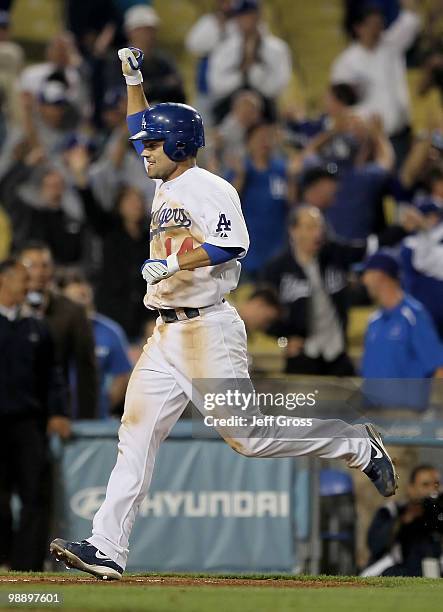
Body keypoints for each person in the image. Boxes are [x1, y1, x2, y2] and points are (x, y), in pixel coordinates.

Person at [49, 46, 397, 581]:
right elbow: (139, 120)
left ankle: (353, 442)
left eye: (154, 144)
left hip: (207, 326)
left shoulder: (209, 187)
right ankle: (107, 548)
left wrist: (173, 261)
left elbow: (234, 243)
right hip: (166, 333)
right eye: (144, 143)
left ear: (181, 144)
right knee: (135, 437)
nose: (143, 149)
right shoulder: (169, 182)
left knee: (248, 437)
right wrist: (132, 77)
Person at [0, 258, 68, 570]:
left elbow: (52, 376)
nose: (28, 285)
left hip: (28, 422)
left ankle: (26, 567)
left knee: (34, 496)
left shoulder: (36, 327)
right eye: (20, 279)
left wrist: (57, 412)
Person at [261, 206, 364, 375]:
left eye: (320, 227)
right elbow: (262, 310)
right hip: (303, 356)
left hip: (336, 352)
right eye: (310, 227)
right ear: (293, 231)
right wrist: (283, 339)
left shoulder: (334, 257)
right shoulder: (276, 269)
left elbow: (368, 249)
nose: (317, 234)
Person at [331, 1, 421, 164]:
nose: (377, 28)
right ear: (358, 28)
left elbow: (411, 20)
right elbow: (340, 103)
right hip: (368, 139)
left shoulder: (392, 45)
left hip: (400, 134)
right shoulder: (346, 62)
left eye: (379, 23)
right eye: (371, 24)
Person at [17, 241, 98, 419]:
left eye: (45, 265)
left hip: (56, 411)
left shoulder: (72, 312)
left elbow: (86, 371)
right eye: (32, 266)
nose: (39, 272)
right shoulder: (8, 308)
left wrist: (86, 420)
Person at [361, 250, 443, 410]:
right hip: (374, 416)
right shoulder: (374, 321)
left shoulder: (413, 316)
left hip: (407, 419)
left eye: (367, 274)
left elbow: (438, 368)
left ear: (380, 276)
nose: (363, 280)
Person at [225, 122, 293, 279]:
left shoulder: (281, 169)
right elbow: (227, 204)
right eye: (260, 138)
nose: (265, 142)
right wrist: (241, 176)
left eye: (269, 137)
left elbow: (292, 202)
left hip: (277, 250)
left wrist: (292, 178)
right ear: (248, 143)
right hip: (247, 254)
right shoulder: (240, 170)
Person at [61, 270, 132, 420]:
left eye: (84, 295)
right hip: (57, 416)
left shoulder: (110, 331)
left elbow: (122, 375)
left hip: (95, 418)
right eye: (75, 300)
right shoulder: (51, 329)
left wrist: (102, 405)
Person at [208, 0, 292, 122]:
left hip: (265, 110)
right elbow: (216, 85)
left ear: (258, 16)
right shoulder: (224, 48)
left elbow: (277, 86)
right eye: (241, 16)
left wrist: (254, 72)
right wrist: (242, 74)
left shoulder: (277, 48)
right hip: (229, 110)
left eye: (249, 15)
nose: (245, 20)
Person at [363, 465, 441, 576]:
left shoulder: (438, 514)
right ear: (411, 488)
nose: (432, 490)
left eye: (436, 484)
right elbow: (374, 545)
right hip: (396, 571)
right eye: (425, 485)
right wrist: (402, 521)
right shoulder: (392, 511)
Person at [401, 201, 443, 338]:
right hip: (421, 307)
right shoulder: (409, 243)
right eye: (429, 216)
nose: (434, 220)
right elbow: (421, 262)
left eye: (436, 216)